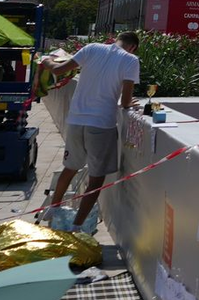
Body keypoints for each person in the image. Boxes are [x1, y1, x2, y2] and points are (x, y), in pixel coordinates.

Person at [43, 32, 140, 230]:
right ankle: (77, 227)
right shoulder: (131, 60)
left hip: (76, 120)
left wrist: (47, 61)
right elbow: (126, 100)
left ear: (116, 39)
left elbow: (60, 69)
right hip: (101, 124)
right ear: (132, 47)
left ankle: (53, 209)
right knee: (96, 180)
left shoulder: (92, 48)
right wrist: (131, 103)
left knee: (70, 167)